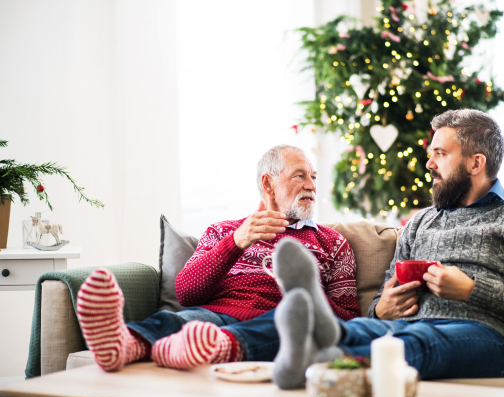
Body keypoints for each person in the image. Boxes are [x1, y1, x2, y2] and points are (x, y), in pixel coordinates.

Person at [226, 109, 504, 389]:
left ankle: (314, 360)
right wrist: (381, 309)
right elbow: (380, 301)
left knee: (414, 342)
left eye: (440, 154)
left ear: (475, 163)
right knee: (339, 326)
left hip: (484, 338)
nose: (429, 164)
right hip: (402, 326)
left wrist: (471, 290)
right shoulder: (421, 222)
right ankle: (217, 341)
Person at [75, 144, 361, 372]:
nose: (311, 184)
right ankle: (126, 344)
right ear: (269, 183)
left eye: (313, 176)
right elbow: (186, 293)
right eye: (300, 175)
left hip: (277, 323)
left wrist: (302, 305)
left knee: (289, 320)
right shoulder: (224, 231)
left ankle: (210, 346)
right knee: (184, 319)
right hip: (215, 317)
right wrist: (235, 243)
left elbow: (347, 318)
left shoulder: (333, 243)